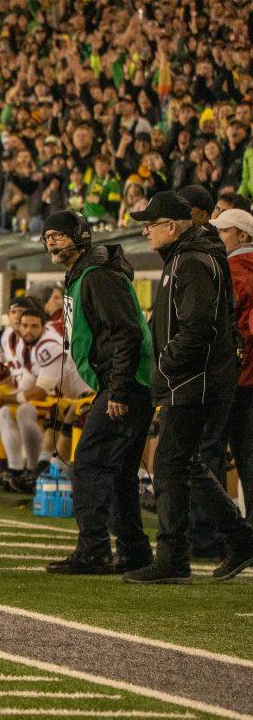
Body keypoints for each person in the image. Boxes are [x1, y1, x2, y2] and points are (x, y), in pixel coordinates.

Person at [127, 192, 253, 582]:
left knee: (170, 464)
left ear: (172, 226)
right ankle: (235, 539)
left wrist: (164, 364)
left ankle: (177, 556)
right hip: (197, 378)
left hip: (194, 380)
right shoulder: (190, 257)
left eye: (151, 222)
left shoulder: (191, 261)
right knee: (183, 462)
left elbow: (197, 327)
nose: (145, 229)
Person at [211, 208, 253, 522]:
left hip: (241, 376)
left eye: (224, 231)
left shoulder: (236, 268)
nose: (219, 236)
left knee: (243, 455)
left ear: (242, 235)